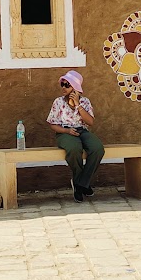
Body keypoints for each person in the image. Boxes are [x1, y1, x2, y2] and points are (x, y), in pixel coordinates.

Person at [47, 69, 104, 202]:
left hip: (82, 131)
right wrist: (67, 131)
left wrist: (77, 104)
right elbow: (52, 124)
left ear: (75, 88)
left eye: (67, 85)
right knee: (74, 149)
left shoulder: (85, 102)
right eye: (63, 84)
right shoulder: (58, 102)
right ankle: (81, 186)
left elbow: (90, 122)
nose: (64, 87)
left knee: (97, 149)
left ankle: (80, 183)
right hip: (65, 132)